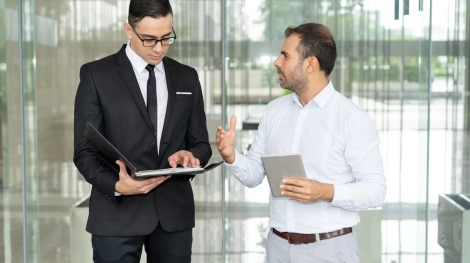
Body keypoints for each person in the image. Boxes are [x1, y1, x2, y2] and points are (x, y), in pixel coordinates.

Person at [216, 23, 386, 262]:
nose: (277, 62)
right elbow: (254, 174)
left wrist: (325, 191)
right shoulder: (274, 111)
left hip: (330, 249)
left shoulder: (351, 119)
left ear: (310, 64)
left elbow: (375, 191)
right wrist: (231, 155)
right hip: (278, 247)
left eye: (285, 55)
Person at [73, 0, 211, 262]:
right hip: (116, 215)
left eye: (166, 37)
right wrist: (116, 184)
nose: (159, 48)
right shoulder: (96, 75)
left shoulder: (187, 77)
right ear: (129, 29)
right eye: (149, 39)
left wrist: (191, 156)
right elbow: (84, 151)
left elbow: (200, 144)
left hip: (173, 216)